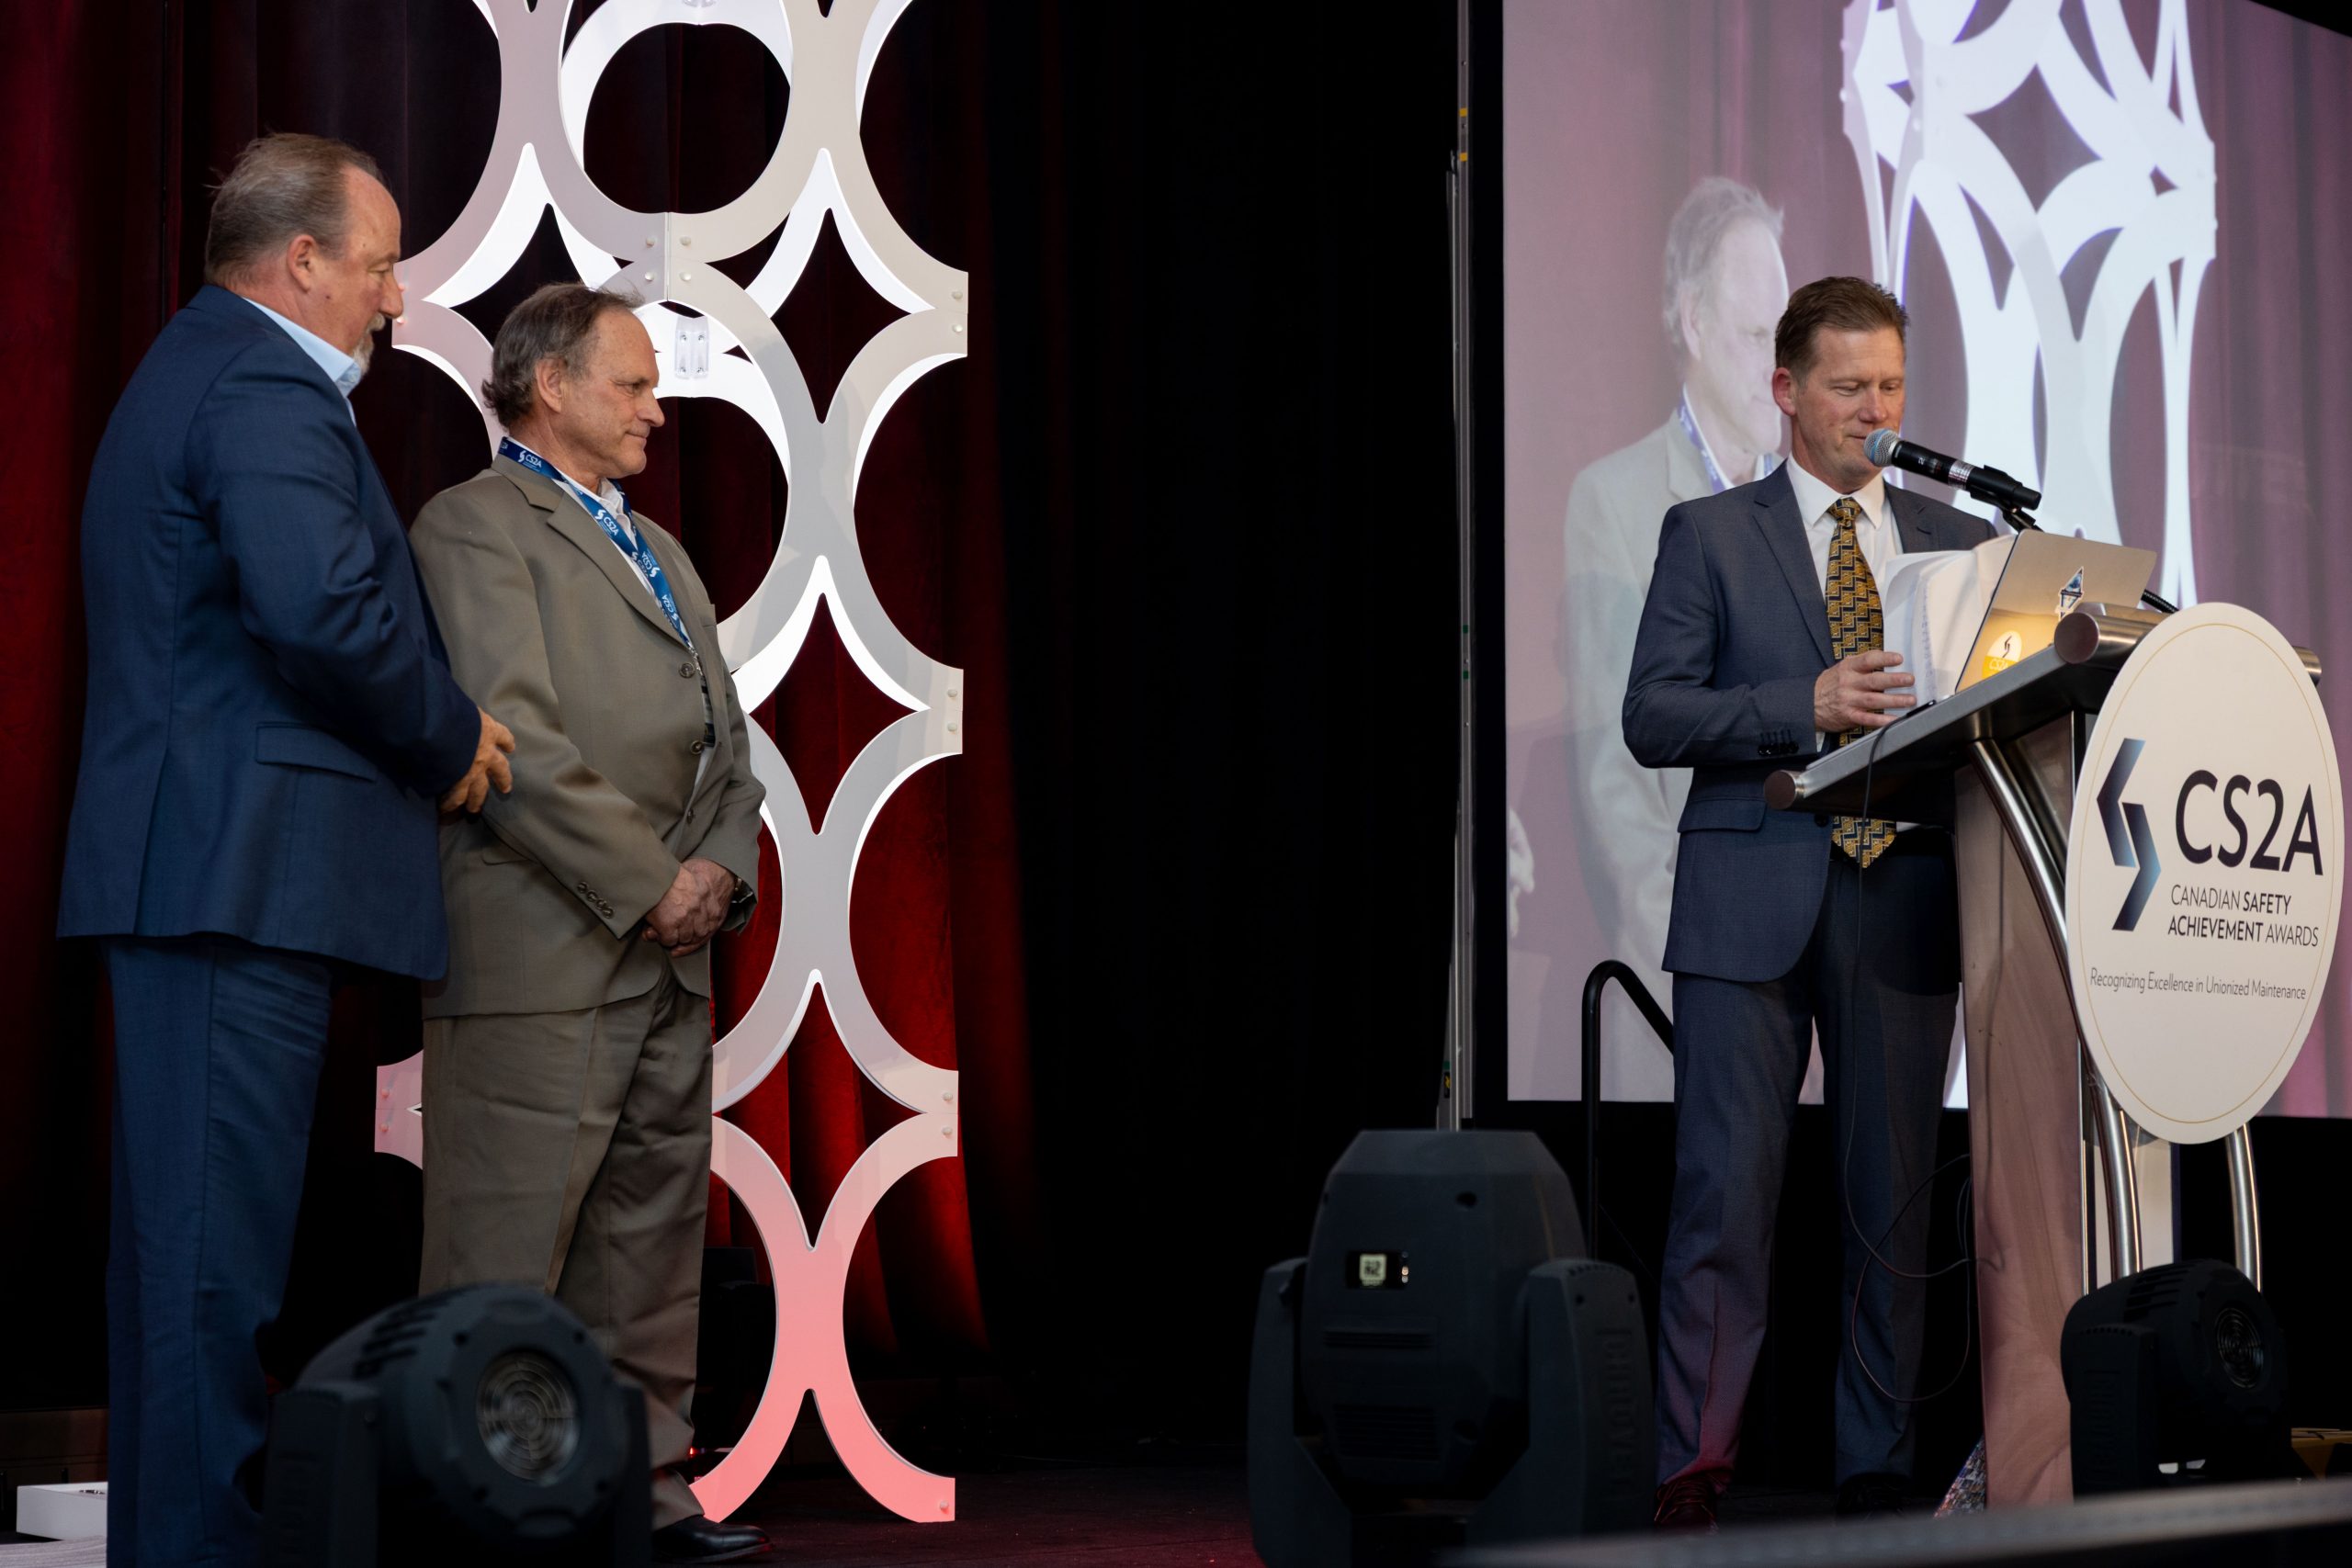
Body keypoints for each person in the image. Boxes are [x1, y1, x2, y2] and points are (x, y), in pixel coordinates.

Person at [59, 132, 514, 1564]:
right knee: (208, 1277)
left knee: (186, 1277)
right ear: (303, 260)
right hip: (230, 882)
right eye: (379, 265)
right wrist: (449, 733)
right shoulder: (261, 383)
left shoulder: (202, 365)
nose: (394, 298)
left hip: (206, 876)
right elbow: (321, 612)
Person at [407, 284, 769, 1564]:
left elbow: (732, 747)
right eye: (633, 385)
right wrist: (654, 881)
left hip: (668, 964)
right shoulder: (471, 524)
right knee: (504, 1265)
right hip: (541, 961)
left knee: (650, 1257)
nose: (656, 412)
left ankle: (644, 1498)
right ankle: (492, 1521)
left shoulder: (659, 545)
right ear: (550, 385)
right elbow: (514, 743)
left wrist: (718, 869)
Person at [1623, 277, 1991, 1529]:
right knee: (1724, 1200)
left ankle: (1874, 1464)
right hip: (1749, 900)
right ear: (1786, 390)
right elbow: (1653, 713)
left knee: (1893, 1203)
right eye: (1848, 387)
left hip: (1905, 898)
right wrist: (1805, 706)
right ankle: (1692, 1465)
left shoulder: (1958, 542)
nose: (1875, 410)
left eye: (1891, 385)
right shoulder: (1709, 533)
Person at [1557, 177, 1788, 1100]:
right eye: (1757, 336)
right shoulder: (1614, 504)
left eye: (1788, 339)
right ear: (1693, 322)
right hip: (1687, 1000)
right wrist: (1714, 974)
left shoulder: (1818, 514)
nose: (1781, 369)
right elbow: (1616, 789)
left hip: (1813, 996)